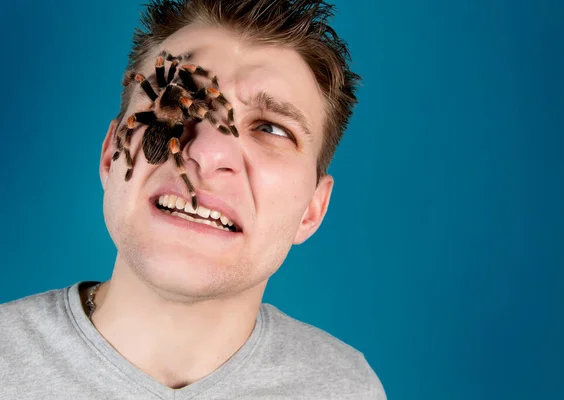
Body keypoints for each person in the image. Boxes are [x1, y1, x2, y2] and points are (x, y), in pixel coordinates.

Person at [0, 0, 386, 398]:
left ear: (312, 210)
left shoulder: (344, 387)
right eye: (179, 93)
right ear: (110, 156)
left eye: (271, 128)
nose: (207, 151)